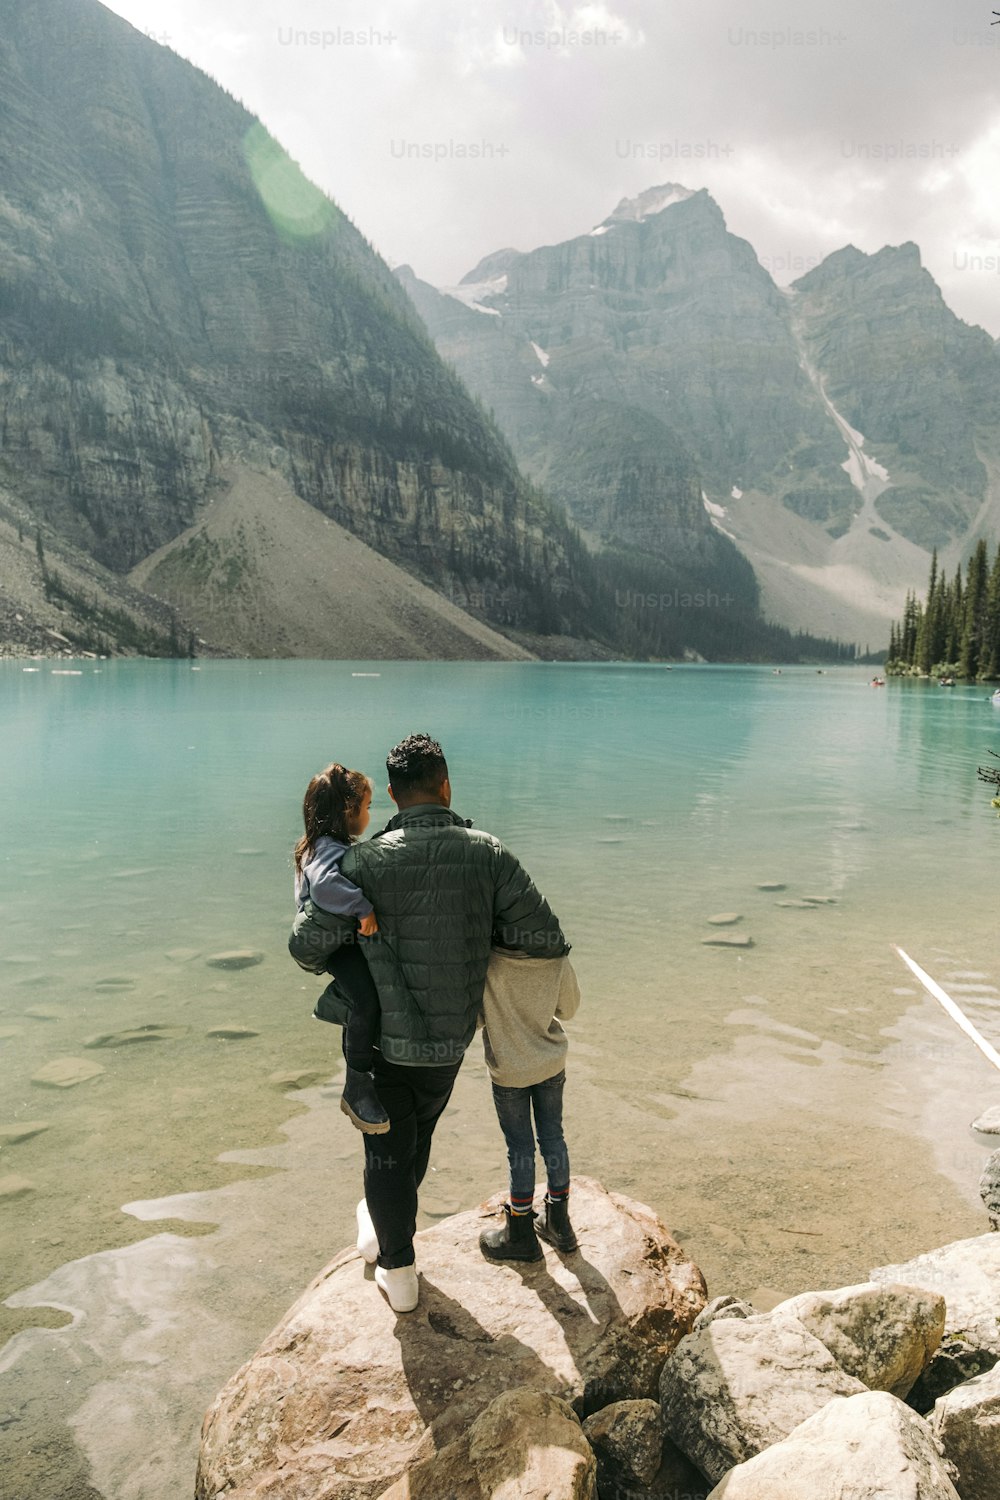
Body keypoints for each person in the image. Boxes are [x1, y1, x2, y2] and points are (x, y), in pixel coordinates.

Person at [314, 732, 569, 1314]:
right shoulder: (489, 853)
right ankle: (385, 1237)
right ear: (445, 785)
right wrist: (477, 942)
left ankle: (398, 1273)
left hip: (382, 1042)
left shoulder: (360, 861)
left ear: (395, 797)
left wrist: (359, 955)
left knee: (385, 1153)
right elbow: (545, 939)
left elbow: (304, 944)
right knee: (415, 1139)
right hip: (451, 1040)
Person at [291, 763, 389, 1134]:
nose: (368, 814)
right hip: (331, 943)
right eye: (366, 806)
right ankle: (357, 1082)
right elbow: (326, 887)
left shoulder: (317, 845)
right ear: (348, 811)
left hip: (332, 939)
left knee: (360, 993)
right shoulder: (327, 852)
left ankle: (347, 1018)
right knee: (366, 999)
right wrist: (363, 907)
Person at [478, 944, 581, 1262]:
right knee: (553, 1137)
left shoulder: (487, 959)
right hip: (551, 1062)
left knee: (519, 1148)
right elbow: (569, 1010)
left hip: (509, 1071)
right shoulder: (554, 954)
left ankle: (520, 1232)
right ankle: (559, 1225)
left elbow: (476, 1020)